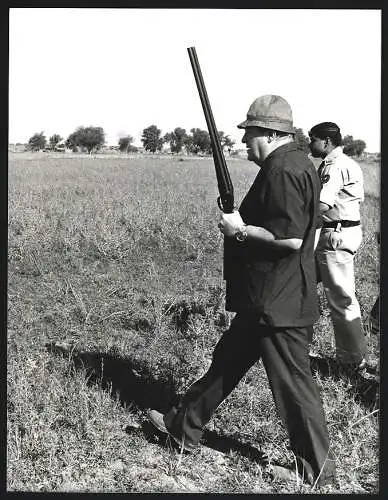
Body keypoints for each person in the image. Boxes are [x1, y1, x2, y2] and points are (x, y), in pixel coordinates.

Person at [148, 95, 336, 486]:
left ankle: (316, 471)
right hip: (269, 296)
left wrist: (240, 230)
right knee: (228, 360)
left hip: (277, 300)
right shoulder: (299, 164)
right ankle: (183, 426)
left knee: (294, 386)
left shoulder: (283, 170)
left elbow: (287, 238)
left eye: (249, 134)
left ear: (268, 134)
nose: (245, 143)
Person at [308, 122, 367, 368]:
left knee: (341, 298)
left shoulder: (335, 166)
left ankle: (353, 361)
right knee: (303, 285)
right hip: (335, 232)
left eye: (313, 139)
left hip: (335, 234)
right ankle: (296, 345)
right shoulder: (341, 163)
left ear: (327, 142)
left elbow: (321, 205)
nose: (310, 144)